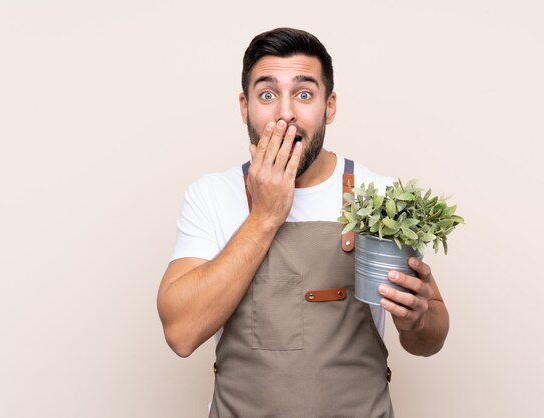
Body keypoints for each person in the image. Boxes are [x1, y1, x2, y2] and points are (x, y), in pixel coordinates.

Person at [157, 27, 449, 417]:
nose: (285, 113)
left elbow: (429, 340)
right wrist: (264, 216)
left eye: (304, 94)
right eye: (267, 94)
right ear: (244, 107)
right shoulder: (211, 194)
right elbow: (180, 334)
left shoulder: (380, 193)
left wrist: (418, 318)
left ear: (329, 106)